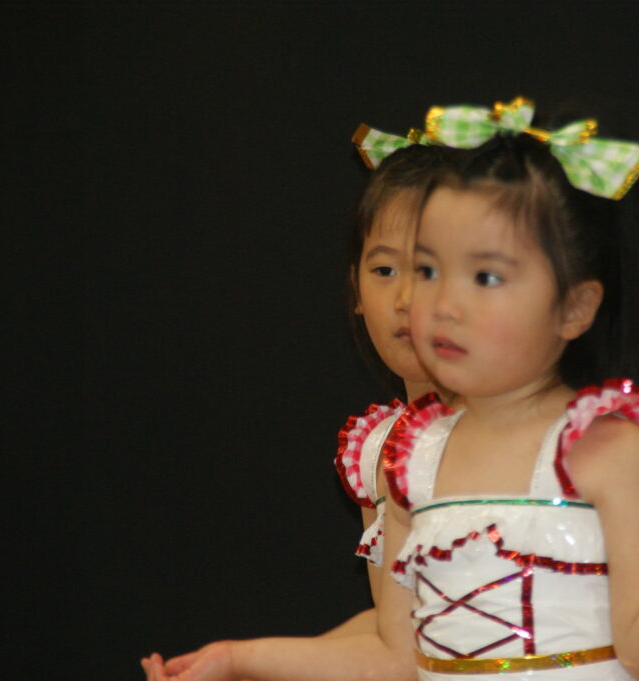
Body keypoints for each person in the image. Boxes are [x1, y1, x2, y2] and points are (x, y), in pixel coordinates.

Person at [372, 101, 639, 681]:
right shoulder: (411, 462)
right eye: (428, 270)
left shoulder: (609, 454)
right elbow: (393, 658)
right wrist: (250, 657)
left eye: (486, 277)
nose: (444, 303)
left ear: (574, 307)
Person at [141, 143, 459, 680]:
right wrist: (237, 670)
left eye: (429, 269)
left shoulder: (525, 435)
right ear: (354, 288)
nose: (405, 297)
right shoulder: (381, 450)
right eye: (384, 269)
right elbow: (393, 635)